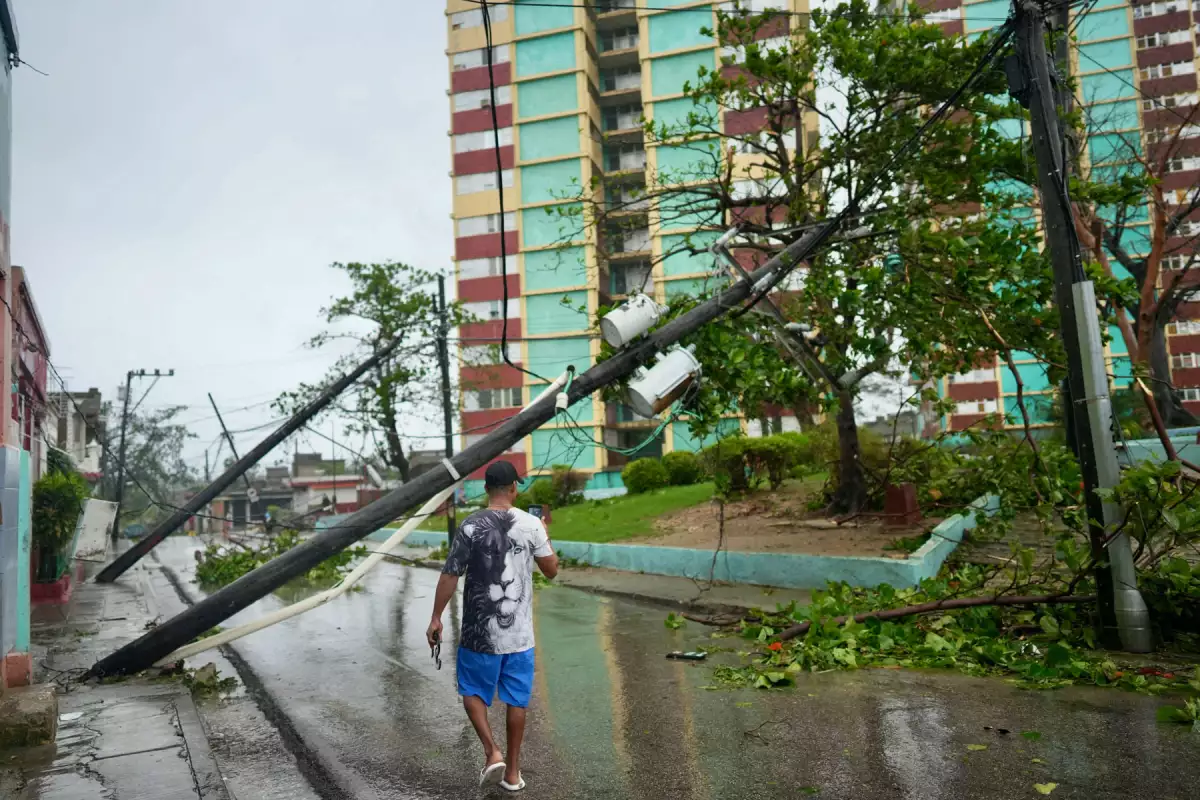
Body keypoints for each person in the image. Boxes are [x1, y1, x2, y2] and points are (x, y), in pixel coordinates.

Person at [427, 461, 559, 792]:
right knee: (517, 701)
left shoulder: (470, 526)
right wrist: (547, 536)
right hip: (520, 637)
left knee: (472, 691)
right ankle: (513, 774)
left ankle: (491, 750)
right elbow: (552, 570)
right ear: (514, 488)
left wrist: (436, 617)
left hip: (478, 635)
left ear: (486, 490)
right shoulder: (531, 525)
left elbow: (450, 574)